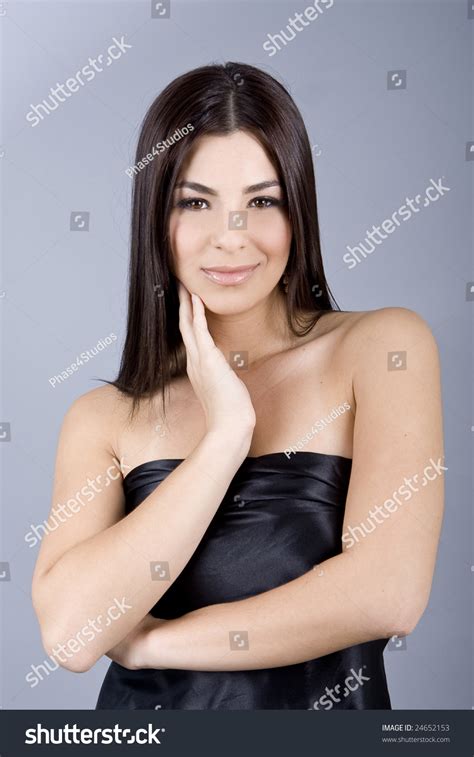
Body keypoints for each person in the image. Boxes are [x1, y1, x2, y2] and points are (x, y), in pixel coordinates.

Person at [31, 62, 444, 710]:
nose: (232, 237)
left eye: (261, 201)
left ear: (297, 209)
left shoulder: (384, 347)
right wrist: (226, 436)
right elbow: (73, 634)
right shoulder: (104, 416)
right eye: (197, 202)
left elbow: (388, 591)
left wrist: (155, 644)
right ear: (156, 218)